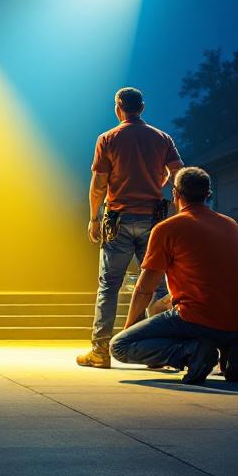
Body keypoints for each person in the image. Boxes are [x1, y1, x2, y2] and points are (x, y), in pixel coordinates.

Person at [111, 167, 238, 384]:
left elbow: (145, 289)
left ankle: (193, 353)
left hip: (199, 318)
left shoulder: (167, 229)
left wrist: (131, 329)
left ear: (175, 194)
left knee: (119, 346)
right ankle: (232, 348)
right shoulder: (232, 225)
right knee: (176, 311)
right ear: (208, 193)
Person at [77, 87, 183, 369]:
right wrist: (161, 185)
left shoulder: (108, 139)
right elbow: (179, 174)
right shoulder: (162, 138)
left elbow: (99, 183)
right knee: (158, 286)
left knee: (109, 286)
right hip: (153, 221)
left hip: (118, 220)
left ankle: (100, 351)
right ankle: (160, 351)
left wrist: (93, 217)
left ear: (118, 108)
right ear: (142, 107)